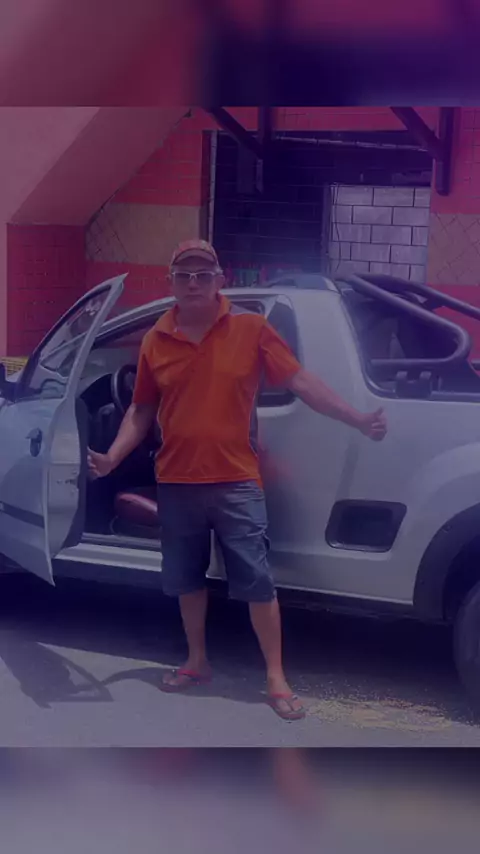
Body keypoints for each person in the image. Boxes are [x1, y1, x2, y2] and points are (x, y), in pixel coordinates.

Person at [88, 239, 387, 721]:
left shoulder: (251, 329)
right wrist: (110, 458)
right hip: (176, 481)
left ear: (220, 280)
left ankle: (275, 677)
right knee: (186, 579)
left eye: (203, 274)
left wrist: (356, 418)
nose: (193, 283)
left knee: (257, 581)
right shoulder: (155, 339)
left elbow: (300, 381)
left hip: (236, 481)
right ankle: (196, 662)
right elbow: (141, 409)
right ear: (171, 281)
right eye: (184, 275)